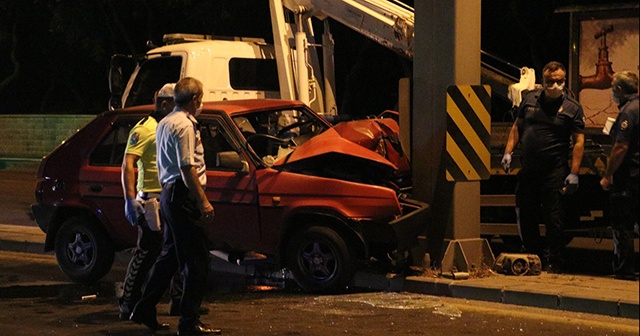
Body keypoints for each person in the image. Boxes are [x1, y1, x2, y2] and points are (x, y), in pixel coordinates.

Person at [130, 77, 220, 335]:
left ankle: (144, 308)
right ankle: (188, 323)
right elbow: (186, 167)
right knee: (197, 262)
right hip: (183, 197)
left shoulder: (165, 122)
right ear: (195, 100)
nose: (202, 102)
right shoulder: (185, 126)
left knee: (169, 257)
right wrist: (202, 201)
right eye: (200, 98)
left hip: (169, 194)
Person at [501, 61, 585, 273]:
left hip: (554, 171)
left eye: (559, 81)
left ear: (564, 81)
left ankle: (555, 260)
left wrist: (574, 172)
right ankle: (532, 256)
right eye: (550, 81)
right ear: (543, 80)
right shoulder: (530, 100)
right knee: (524, 212)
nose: (555, 85)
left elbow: (579, 142)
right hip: (529, 169)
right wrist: (508, 152)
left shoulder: (572, 108)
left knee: (553, 217)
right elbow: (517, 127)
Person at [119, 83, 182, 320]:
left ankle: (177, 301)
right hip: (151, 200)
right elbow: (128, 164)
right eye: (175, 105)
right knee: (147, 252)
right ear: (164, 103)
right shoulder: (145, 129)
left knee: (174, 251)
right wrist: (130, 198)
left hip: (168, 196)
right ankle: (128, 302)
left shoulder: (169, 126)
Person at [599, 71, 639, 281]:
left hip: (630, 177)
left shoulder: (628, 112)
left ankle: (624, 270)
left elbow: (621, 147)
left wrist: (607, 175)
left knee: (623, 225)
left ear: (620, 90)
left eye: (613, 88)